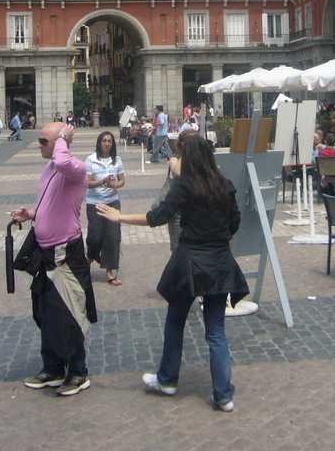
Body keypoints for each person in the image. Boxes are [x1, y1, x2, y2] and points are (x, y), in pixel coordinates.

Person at [96, 135, 246, 412]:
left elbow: (158, 216)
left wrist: (119, 218)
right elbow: (234, 222)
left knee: (176, 321)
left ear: (189, 158)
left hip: (190, 261)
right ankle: (223, 395)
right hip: (220, 262)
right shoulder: (225, 185)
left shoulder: (185, 185)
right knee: (216, 331)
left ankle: (167, 379)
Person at [11, 123, 96, 398]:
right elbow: (51, 204)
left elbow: (62, 159)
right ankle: (53, 368)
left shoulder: (76, 169)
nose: (38, 144)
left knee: (69, 313)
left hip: (65, 254)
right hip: (45, 252)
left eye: (43, 140)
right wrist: (31, 213)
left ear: (60, 142)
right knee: (47, 312)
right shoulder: (50, 169)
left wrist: (62, 138)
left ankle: (78, 372)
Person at [85, 131, 126, 285]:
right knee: (95, 236)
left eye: (109, 141)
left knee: (112, 236)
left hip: (112, 202)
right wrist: (102, 181)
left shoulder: (117, 160)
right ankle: (90, 257)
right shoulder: (90, 160)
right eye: (104, 141)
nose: (107, 144)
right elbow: (87, 183)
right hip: (95, 202)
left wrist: (115, 184)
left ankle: (109, 271)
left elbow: (122, 180)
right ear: (99, 142)